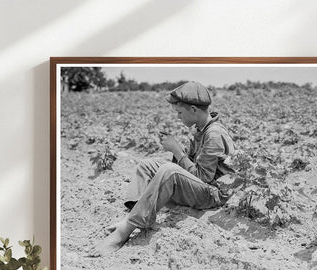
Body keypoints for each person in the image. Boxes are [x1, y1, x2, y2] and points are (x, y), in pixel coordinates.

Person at [89, 81, 235, 256]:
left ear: (194, 110)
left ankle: (124, 231)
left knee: (168, 170)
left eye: (180, 113)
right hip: (203, 187)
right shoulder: (201, 129)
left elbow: (203, 177)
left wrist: (176, 150)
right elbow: (193, 167)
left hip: (214, 194)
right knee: (147, 165)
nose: (178, 117)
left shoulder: (214, 134)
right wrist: (178, 152)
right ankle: (135, 214)